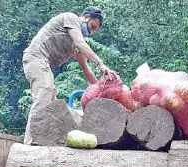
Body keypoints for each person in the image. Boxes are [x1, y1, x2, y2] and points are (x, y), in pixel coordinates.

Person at [22, 6, 120, 144]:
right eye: (92, 26)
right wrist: (100, 63)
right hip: (36, 58)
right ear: (86, 17)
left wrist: (101, 89)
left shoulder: (76, 44)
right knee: (44, 94)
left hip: (44, 65)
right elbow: (81, 42)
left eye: (93, 31)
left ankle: (48, 140)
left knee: (54, 105)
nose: (90, 32)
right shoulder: (71, 18)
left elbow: (86, 69)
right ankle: (30, 143)